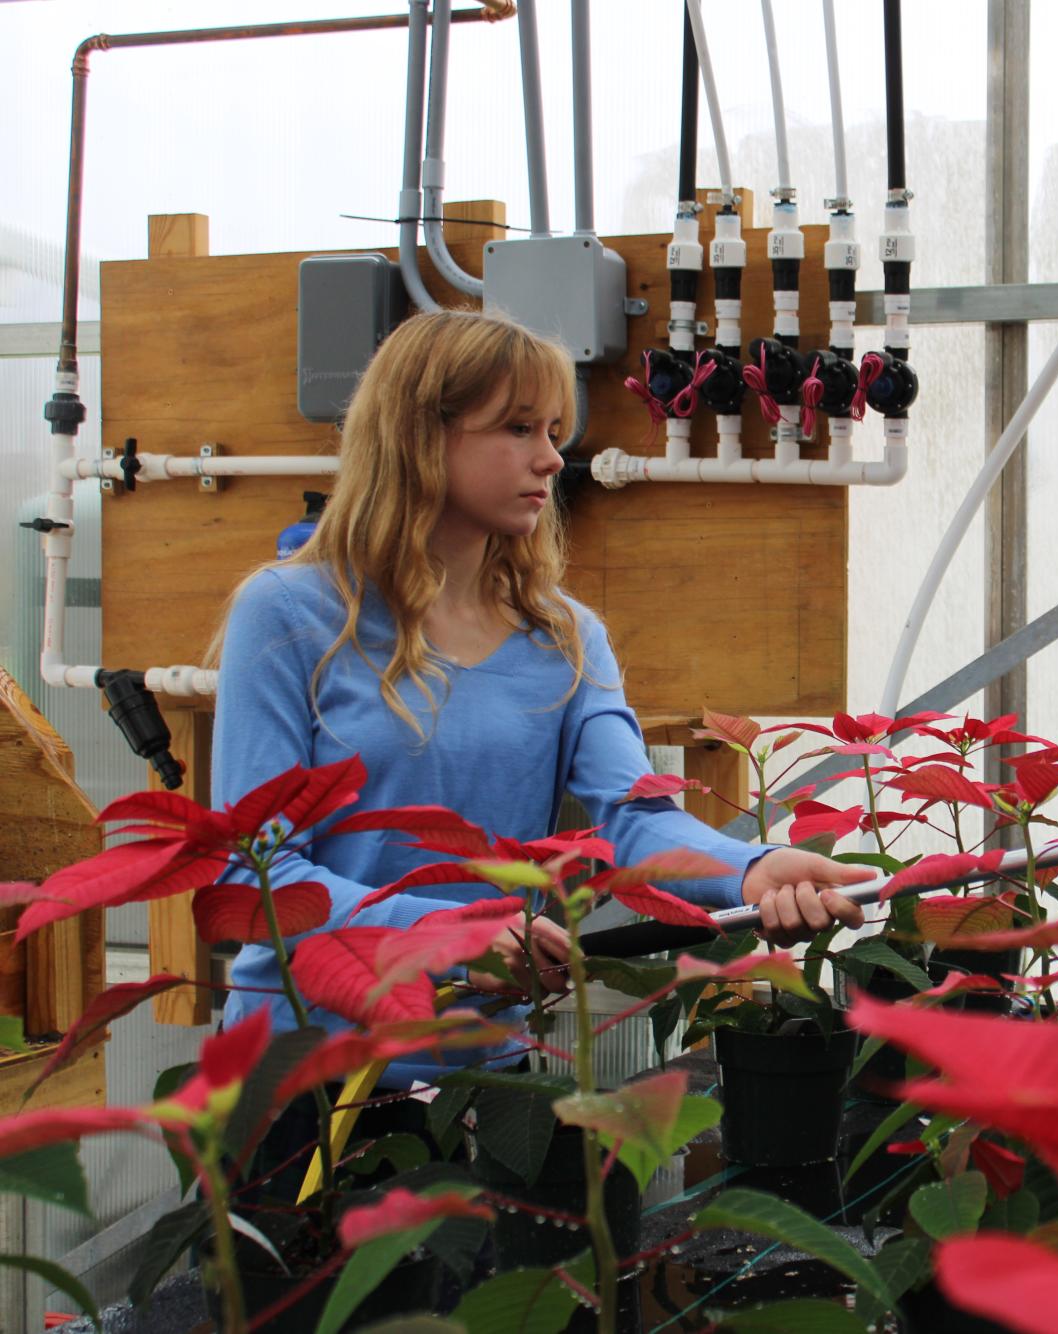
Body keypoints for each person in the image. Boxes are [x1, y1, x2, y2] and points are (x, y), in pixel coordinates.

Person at [211, 309, 867, 1082]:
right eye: (519, 428)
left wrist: (752, 870)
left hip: (482, 1071)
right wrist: (441, 932)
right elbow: (254, 877)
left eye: (554, 430)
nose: (552, 460)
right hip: (301, 1074)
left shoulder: (562, 636)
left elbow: (634, 816)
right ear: (421, 436)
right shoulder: (289, 614)